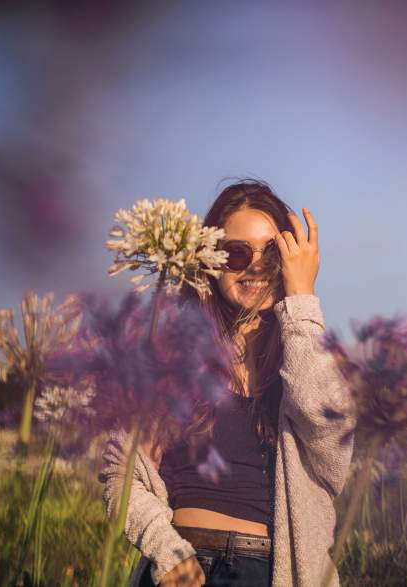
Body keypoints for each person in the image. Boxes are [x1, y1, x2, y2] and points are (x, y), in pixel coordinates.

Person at [99, 179, 357, 586]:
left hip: (271, 573)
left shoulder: (308, 355)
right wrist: (168, 554)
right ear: (209, 261)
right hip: (181, 566)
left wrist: (303, 300)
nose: (255, 266)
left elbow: (332, 452)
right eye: (236, 253)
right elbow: (121, 477)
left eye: (272, 253)